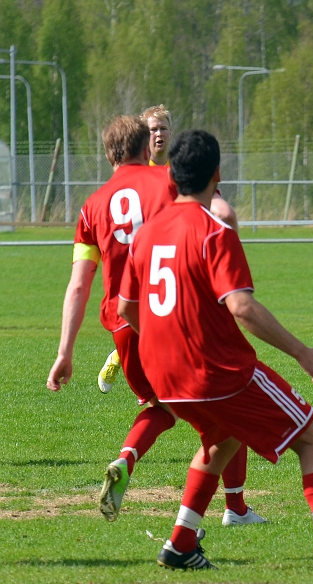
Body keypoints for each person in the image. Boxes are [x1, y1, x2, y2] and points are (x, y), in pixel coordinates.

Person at [118, 129, 313, 572]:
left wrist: (166, 345)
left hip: (163, 376)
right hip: (216, 371)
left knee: (222, 440)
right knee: (312, 438)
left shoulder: (147, 233)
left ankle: (180, 545)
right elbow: (242, 307)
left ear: (172, 177)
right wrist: (301, 352)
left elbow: (126, 307)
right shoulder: (213, 230)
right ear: (217, 175)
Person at [46, 115, 260, 528]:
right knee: (226, 405)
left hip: (124, 322)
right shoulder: (165, 181)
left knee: (160, 406)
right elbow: (218, 209)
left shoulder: (91, 207)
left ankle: (126, 458)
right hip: (176, 311)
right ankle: (232, 510)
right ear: (146, 148)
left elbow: (78, 285)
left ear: (108, 154)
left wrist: (64, 353)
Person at [98, 105, 238, 393]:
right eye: (152, 129)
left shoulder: (181, 169)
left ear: (171, 132)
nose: (158, 134)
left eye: (163, 128)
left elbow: (212, 201)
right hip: (135, 262)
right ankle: (123, 357)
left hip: (172, 258)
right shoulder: (133, 174)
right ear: (141, 137)